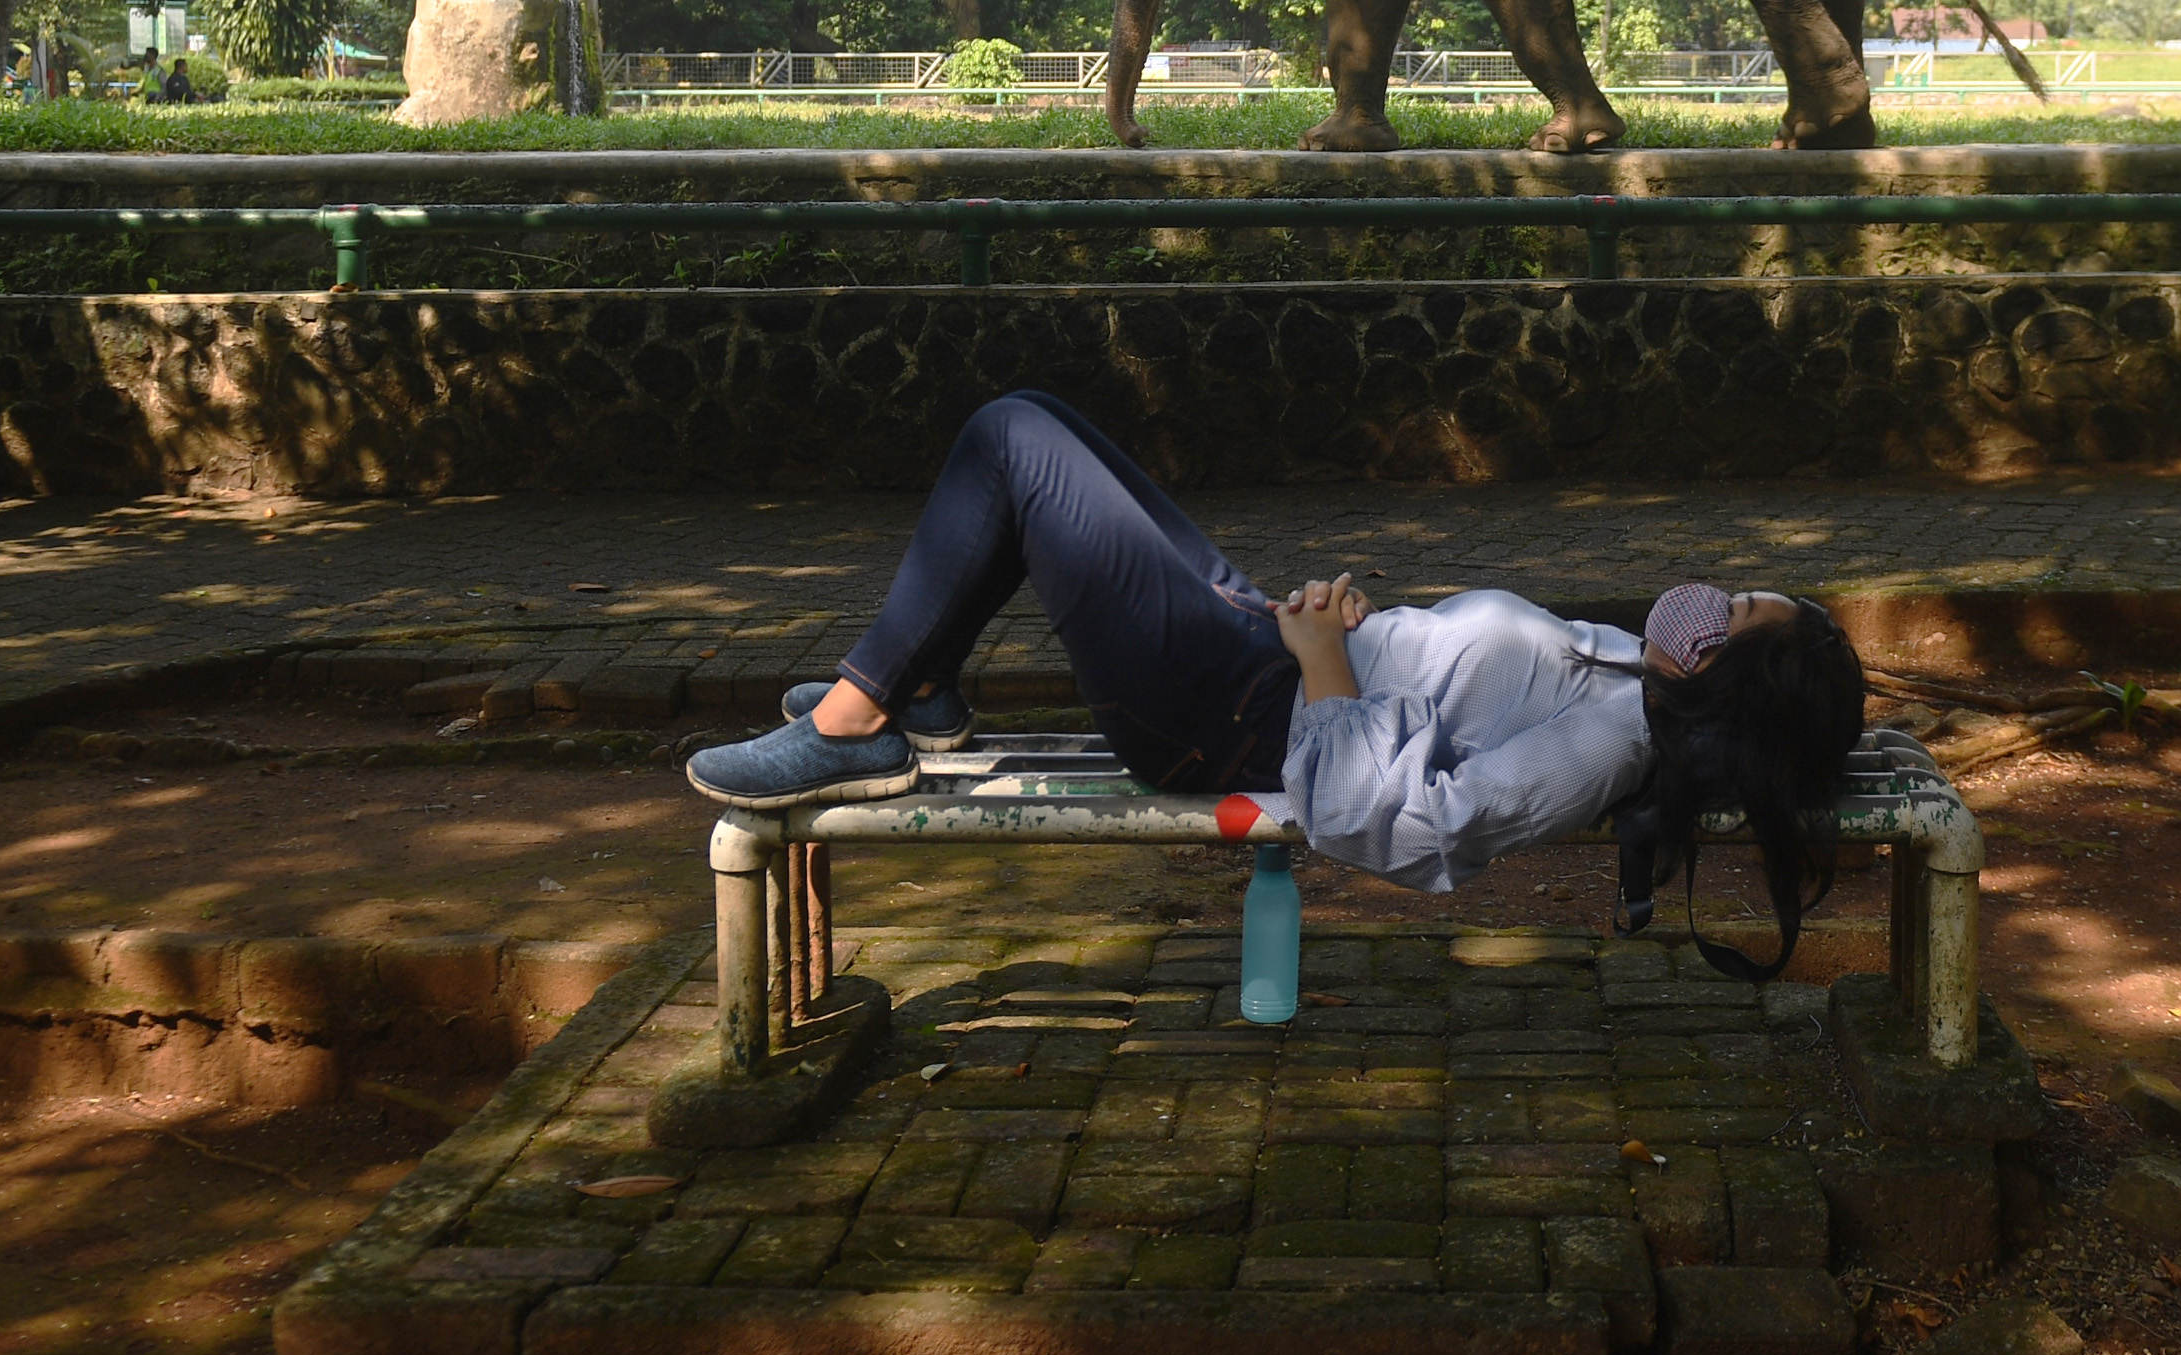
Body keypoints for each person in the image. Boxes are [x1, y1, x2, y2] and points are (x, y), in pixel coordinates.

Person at [684, 390, 1867, 976]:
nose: (1714, 597)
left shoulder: (1607, 745)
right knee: (1040, 417)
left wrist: (1325, 664)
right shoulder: (1625, 674)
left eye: (1739, 614)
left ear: (1729, 684)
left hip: (1232, 718)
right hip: (1255, 652)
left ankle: (860, 722)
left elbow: (1401, 828)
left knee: (1012, 444)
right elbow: (1431, 695)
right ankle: (921, 687)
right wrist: (1343, 633)